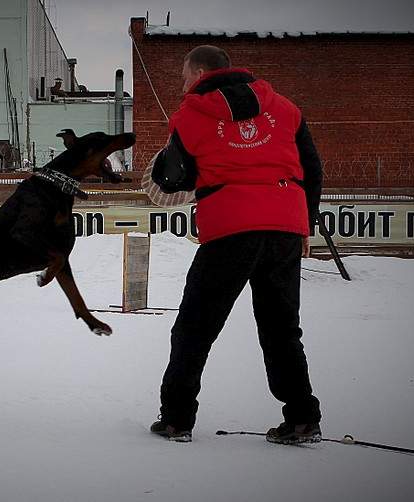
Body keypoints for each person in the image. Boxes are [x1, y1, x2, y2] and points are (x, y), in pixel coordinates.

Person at [150, 46, 323, 443]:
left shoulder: (191, 115)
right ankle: (301, 419)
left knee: (196, 326)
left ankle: (176, 419)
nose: (182, 85)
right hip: (283, 228)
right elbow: (311, 169)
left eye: (183, 77)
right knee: (282, 329)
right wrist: (304, 226)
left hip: (229, 229)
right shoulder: (286, 109)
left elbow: (174, 177)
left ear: (198, 72)